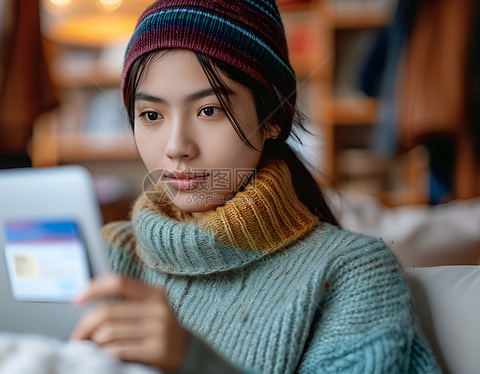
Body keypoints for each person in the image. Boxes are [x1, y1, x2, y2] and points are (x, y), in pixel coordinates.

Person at [70, 0, 441, 372]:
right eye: (152, 115)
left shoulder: (352, 271)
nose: (175, 146)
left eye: (209, 110)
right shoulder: (105, 257)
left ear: (272, 119)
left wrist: (193, 361)